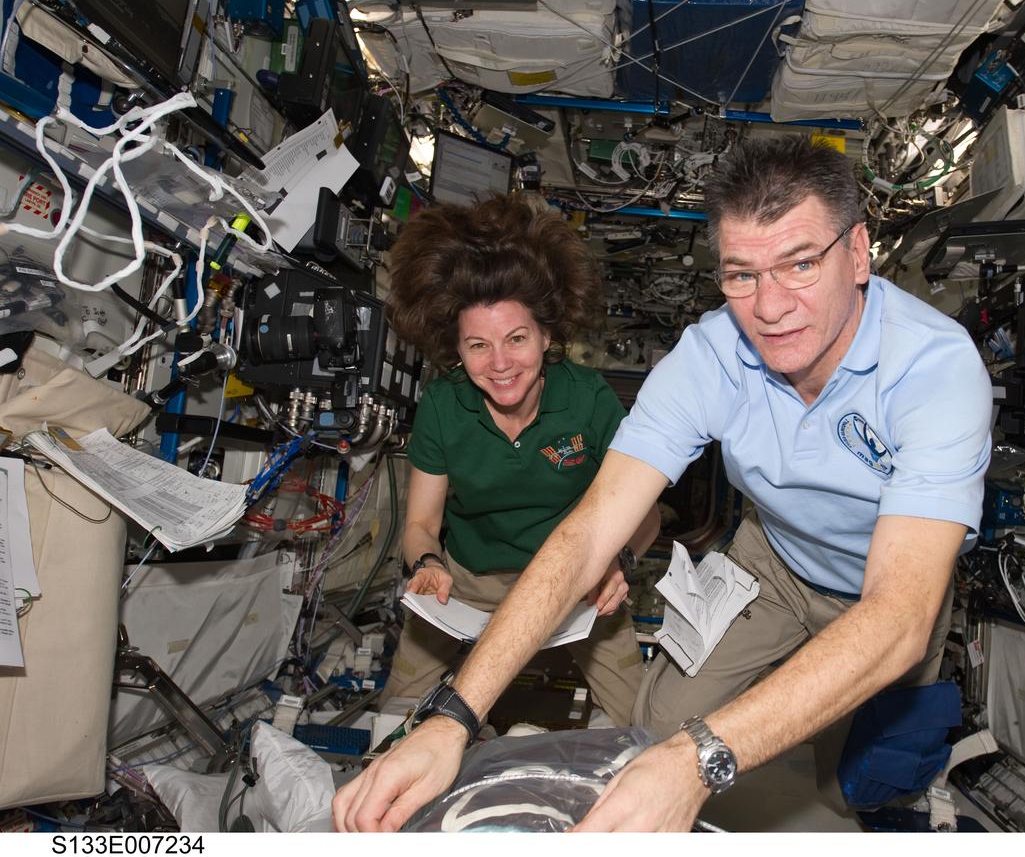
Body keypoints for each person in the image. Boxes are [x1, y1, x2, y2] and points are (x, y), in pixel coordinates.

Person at [333, 137, 991, 832]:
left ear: (857, 253)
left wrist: (701, 758)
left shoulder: (934, 370)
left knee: (854, 785)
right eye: (741, 274)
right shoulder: (712, 357)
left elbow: (899, 617)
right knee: (653, 728)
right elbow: (590, 531)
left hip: (885, 584)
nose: (769, 308)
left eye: (799, 264)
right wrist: (452, 719)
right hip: (774, 563)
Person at [375, 192, 660, 732]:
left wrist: (618, 563)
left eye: (517, 338)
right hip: (465, 582)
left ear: (547, 337)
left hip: (576, 578)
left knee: (641, 724)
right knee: (395, 720)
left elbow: (646, 512)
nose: (500, 363)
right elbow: (420, 524)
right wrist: (427, 566)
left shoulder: (588, 398)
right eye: (479, 346)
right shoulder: (442, 403)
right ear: (457, 351)